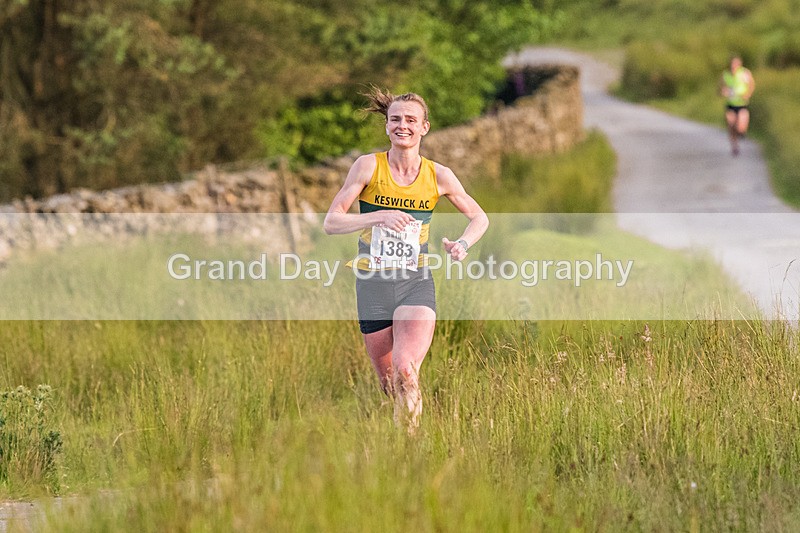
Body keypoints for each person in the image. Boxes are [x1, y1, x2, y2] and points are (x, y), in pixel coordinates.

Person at [323, 87, 489, 433]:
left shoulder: (438, 175)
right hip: (372, 284)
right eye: (395, 119)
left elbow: (479, 218)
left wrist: (463, 243)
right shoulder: (368, 166)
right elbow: (332, 222)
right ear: (386, 126)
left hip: (415, 280)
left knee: (406, 370)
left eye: (411, 120)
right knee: (389, 386)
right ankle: (400, 440)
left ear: (424, 127)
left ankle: (410, 450)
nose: (403, 126)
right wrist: (377, 216)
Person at [720, 56, 755, 156]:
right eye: (732, 64)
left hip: (742, 104)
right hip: (730, 104)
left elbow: (751, 84)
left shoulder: (745, 73)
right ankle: (734, 147)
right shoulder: (725, 75)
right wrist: (723, 92)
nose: (734, 67)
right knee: (731, 125)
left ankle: (741, 133)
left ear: (740, 65)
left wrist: (748, 93)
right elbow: (720, 88)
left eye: (736, 64)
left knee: (740, 128)